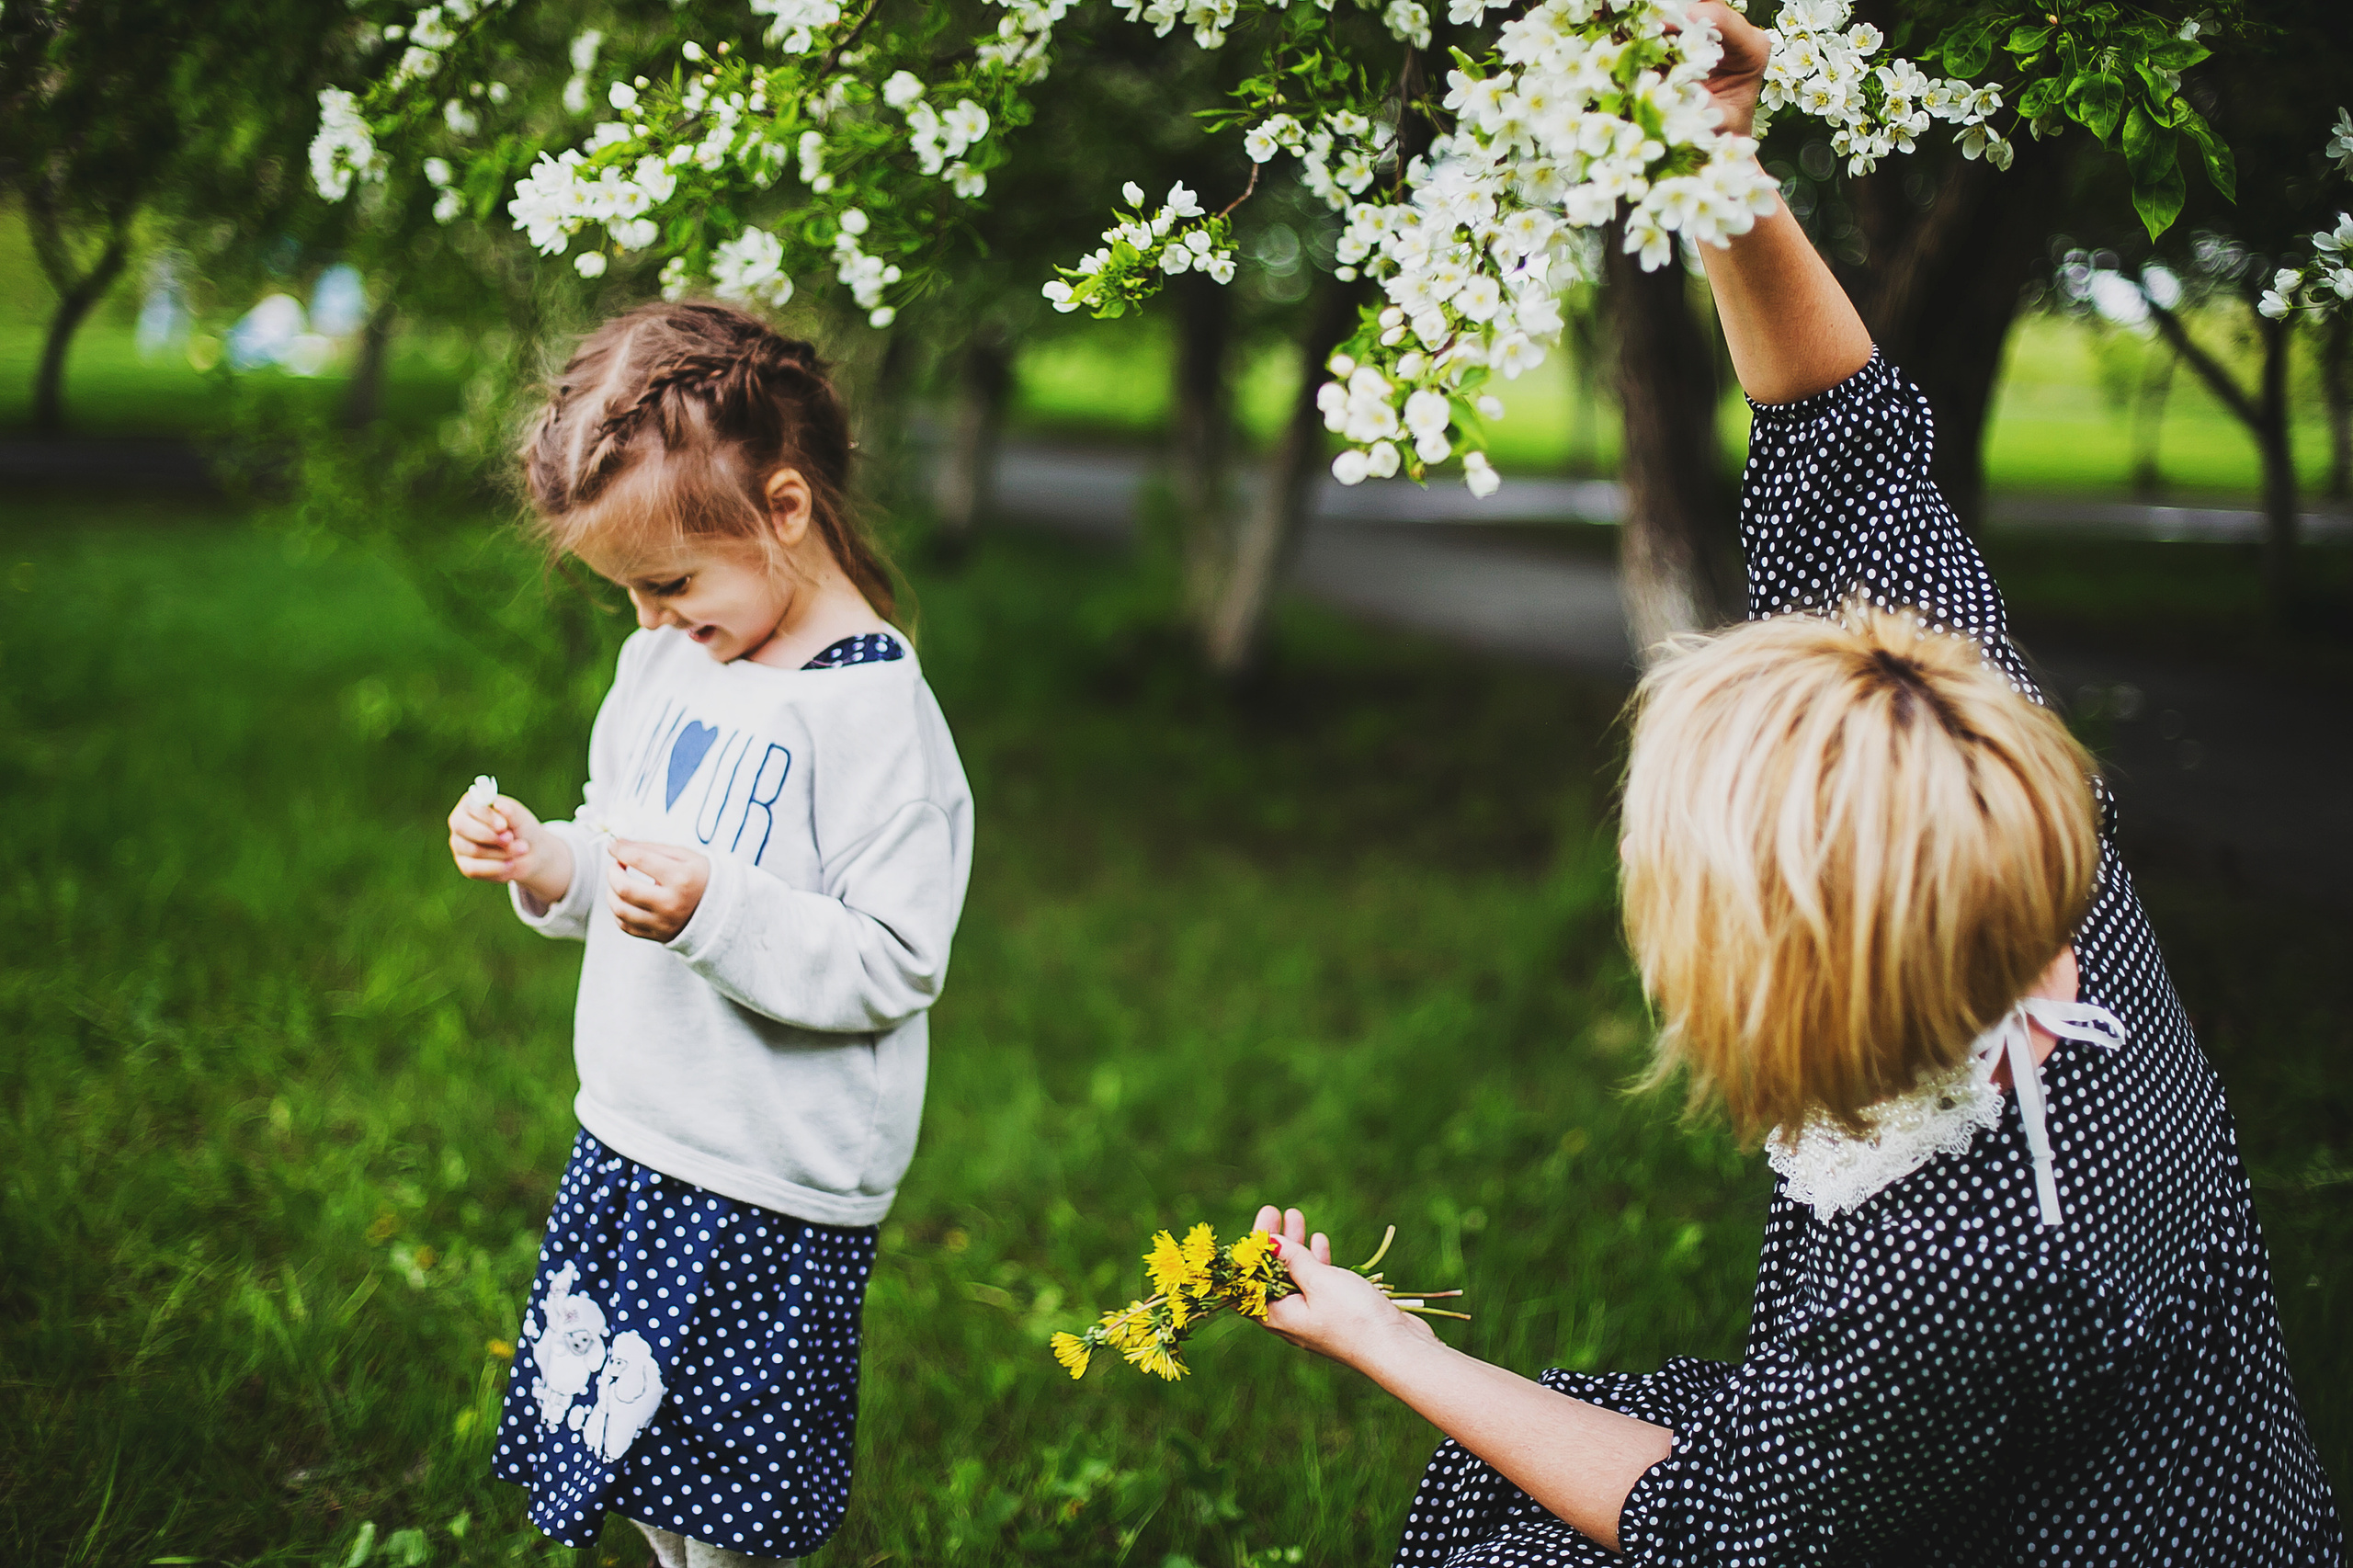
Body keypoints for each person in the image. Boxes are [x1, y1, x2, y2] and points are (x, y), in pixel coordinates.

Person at [1249, 5, 2344, 1562]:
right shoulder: (2024, 834)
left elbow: (1718, 1522)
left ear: (1784, 999)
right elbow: (1849, 448)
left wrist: (1396, 1347)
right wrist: (1720, 164)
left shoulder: (1936, 1269)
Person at [446, 301, 974, 1568]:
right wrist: (546, 858)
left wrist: (717, 912)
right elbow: (616, 851)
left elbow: (896, 959)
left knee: (733, 1504)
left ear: (785, 509)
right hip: (636, 1138)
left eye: (670, 582)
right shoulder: (672, 666)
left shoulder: (876, 725)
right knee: (640, 1461)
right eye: (627, 590)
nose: (647, 620)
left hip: (763, 1184)